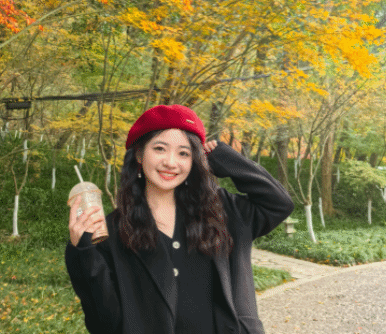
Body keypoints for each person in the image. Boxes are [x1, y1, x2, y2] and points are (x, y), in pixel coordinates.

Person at [65, 104, 294, 334]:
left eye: (183, 153)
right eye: (160, 149)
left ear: (195, 159)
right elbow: (105, 324)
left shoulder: (222, 211)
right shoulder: (114, 231)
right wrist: (83, 251)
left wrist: (224, 158)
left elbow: (278, 204)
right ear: (139, 154)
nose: (171, 162)